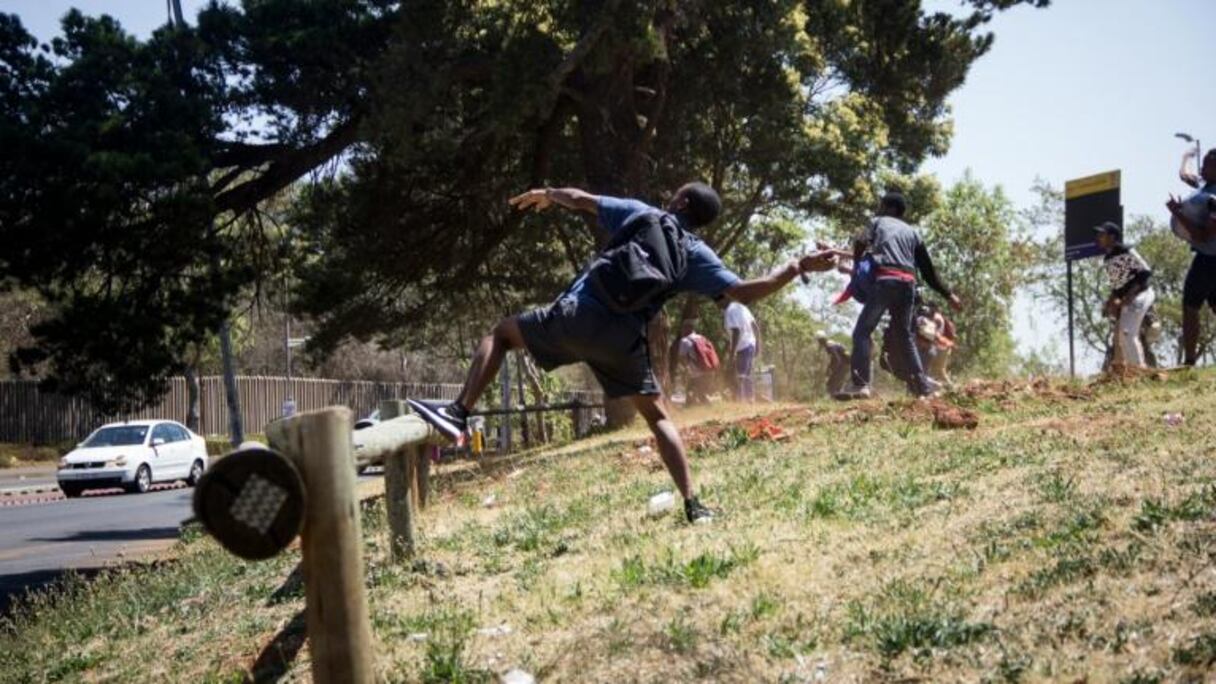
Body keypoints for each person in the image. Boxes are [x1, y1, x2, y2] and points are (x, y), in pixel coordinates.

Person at [407, 182, 836, 524]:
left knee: (501, 335)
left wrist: (548, 194)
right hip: (625, 341)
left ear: (680, 201)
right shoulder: (696, 254)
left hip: (578, 316)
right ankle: (693, 504)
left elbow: (582, 200)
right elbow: (745, 291)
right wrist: (797, 266)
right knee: (659, 418)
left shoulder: (644, 213)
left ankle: (459, 412)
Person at [837, 192, 962, 400]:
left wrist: (858, 265)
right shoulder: (913, 233)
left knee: (862, 332)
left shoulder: (877, 222)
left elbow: (860, 240)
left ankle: (860, 385)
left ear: (889, 208)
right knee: (904, 337)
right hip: (908, 285)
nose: (878, 209)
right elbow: (928, 272)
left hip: (885, 281)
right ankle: (921, 387)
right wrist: (949, 295)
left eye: (881, 205)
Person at [1167, 149, 1216, 366]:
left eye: (1206, 165)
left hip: (1210, 260)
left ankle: (1188, 362)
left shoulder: (1213, 199)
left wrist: (1176, 212)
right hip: (1207, 258)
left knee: (1190, 306)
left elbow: (1202, 235)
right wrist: (1186, 156)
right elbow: (1186, 175)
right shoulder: (1204, 187)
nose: (1202, 169)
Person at [1094, 222, 1155, 369]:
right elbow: (1118, 286)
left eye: (1103, 234)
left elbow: (1145, 272)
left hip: (1141, 294)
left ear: (1113, 237)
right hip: (1129, 299)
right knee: (1121, 335)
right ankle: (1130, 369)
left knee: (1127, 332)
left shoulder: (1127, 250)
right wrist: (1110, 302)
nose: (1099, 237)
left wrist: (1130, 295)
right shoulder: (1108, 259)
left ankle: (1139, 370)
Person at [719, 299, 760, 401]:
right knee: (746, 375)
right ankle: (750, 400)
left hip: (743, 346)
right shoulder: (742, 307)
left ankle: (741, 401)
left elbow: (736, 331)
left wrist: (732, 353)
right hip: (751, 344)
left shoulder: (729, 311)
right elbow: (756, 328)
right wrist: (758, 345)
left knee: (740, 376)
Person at [674, 321, 718, 405]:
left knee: (693, 390)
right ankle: (693, 405)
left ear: (688, 329)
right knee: (697, 390)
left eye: (683, 329)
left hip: (696, 370)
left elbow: (682, 357)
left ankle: (692, 406)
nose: (682, 331)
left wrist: (685, 368)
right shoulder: (701, 337)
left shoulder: (684, 341)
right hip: (707, 368)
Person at [916, 301, 955, 385]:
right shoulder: (940, 317)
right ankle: (947, 388)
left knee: (936, 371)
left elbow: (931, 333)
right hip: (942, 346)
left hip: (939, 347)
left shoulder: (936, 318)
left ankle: (949, 388)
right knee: (937, 371)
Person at [816, 331, 849, 398]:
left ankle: (830, 397)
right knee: (837, 382)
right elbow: (835, 359)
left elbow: (837, 359)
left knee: (831, 382)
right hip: (846, 363)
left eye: (819, 341)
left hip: (844, 363)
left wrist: (831, 369)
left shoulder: (830, 346)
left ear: (821, 340)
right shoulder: (831, 343)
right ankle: (836, 397)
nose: (819, 342)